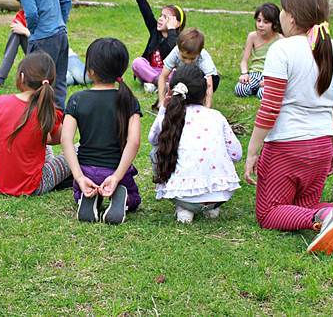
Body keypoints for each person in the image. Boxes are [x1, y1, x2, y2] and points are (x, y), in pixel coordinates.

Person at [243, 0, 333, 256]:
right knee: (302, 206)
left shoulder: (283, 50)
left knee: (268, 214)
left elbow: (270, 108)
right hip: (321, 147)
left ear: (290, 16)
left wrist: (253, 151)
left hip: (287, 148)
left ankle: (323, 219)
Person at [62, 38, 142, 225]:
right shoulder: (128, 100)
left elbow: (66, 139)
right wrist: (116, 176)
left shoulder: (76, 99)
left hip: (86, 171)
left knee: (79, 192)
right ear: (121, 70)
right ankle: (120, 197)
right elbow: (134, 141)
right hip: (116, 171)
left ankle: (87, 196)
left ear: (90, 70)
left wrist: (80, 177)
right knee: (134, 198)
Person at [149, 64, 242, 223]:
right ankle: (211, 207)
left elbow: (152, 139)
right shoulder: (216, 116)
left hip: (183, 197)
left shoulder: (171, 118)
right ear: (205, 91)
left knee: (157, 148)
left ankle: (185, 209)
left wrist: (163, 109)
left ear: (171, 92)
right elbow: (237, 154)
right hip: (220, 196)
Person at [0, 52, 72, 196]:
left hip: (1, 183)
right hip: (35, 185)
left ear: (22, 77)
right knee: (77, 150)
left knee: (39, 142)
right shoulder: (47, 110)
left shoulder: (1, 102)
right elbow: (61, 139)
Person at [10, 0, 72, 109]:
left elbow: (31, 14)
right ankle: (59, 113)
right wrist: (61, 21)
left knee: (36, 79)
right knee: (58, 78)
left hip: (43, 40)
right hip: (61, 36)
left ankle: (38, 113)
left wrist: (33, 31)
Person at [129, 0, 186, 93]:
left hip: (169, 72)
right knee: (137, 62)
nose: (160, 19)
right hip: (152, 71)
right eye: (161, 15)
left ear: (177, 23)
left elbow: (173, 49)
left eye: (165, 17)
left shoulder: (179, 39)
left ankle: (155, 85)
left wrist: (171, 30)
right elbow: (147, 13)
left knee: (179, 74)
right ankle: (158, 83)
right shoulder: (155, 31)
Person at [157, 28, 220, 108]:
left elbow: (209, 85)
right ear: (178, 49)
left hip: (207, 80)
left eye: (192, 59)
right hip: (187, 76)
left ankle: (197, 100)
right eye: (184, 57)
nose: (187, 61)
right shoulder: (175, 52)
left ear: (199, 53)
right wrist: (161, 101)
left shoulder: (203, 58)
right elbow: (163, 76)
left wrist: (207, 109)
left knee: (197, 101)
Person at [234, 3, 283, 100]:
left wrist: (271, 80)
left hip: (270, 74)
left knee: (264, 94)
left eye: (266, 22)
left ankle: (259, 89)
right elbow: (244, 60)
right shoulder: (252, 36)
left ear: (274, 23)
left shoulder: (280, 39)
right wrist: (244, 73)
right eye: (258, 20)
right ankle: (254, 88)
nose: (260, 25)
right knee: (240, 89)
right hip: (254, 73)